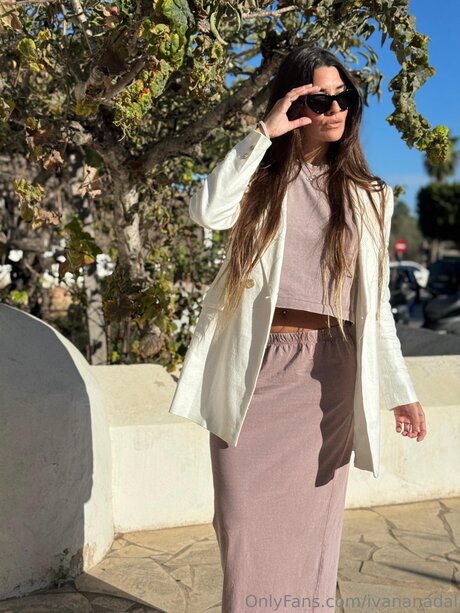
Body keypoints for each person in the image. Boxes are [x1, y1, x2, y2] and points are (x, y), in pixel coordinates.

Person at [168, 45, 427, 612]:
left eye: (343, 97)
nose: (335, 109)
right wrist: (264, 132)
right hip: (254, 369)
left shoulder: (371, 196)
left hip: (328, 375)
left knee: (311, 535)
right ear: (293, 103)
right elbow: (205, 212)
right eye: (319, 99)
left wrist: (401, 390)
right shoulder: (259, 179)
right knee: (241, 526)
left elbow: (377, 306)